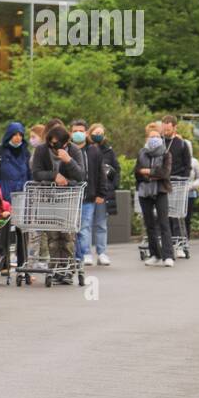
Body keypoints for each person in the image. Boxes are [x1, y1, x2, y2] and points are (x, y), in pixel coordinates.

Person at [29, 123, 86, 283]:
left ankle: (67, 270)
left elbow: (81, 175)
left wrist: (68, 161)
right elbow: (36, 173)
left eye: (57, 144)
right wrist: (54, 175)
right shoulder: (41, 150)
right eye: (51, 144)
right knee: (53, 236)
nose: (54, 147)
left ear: (66, 143)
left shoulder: (74, 150)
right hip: (48, 197)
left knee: (67, 236)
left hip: (68, 198)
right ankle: (55, 270)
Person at [0, 121, 30, 276]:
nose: (18, 138)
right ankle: (3, 264)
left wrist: (28, 190)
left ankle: (22, 264)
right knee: (3, 232)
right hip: (4, 197)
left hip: (22, 197)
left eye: (20, 134)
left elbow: (29, 174)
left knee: (22, 232)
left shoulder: (26, 153)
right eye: (15, 134)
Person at [71, 119, 112, 267]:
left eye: (81, 131)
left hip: (89, 195)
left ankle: (86, 253)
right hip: (71, 196)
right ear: (70, 132)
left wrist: (101, 193)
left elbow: (101, 174)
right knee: (73, 228)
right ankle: (77, 254)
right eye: (75, 131)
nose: (78, 134)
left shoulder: (94, 151)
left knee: (85, 226)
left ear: (86, 133)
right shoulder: (67, 149)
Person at [135, 123, 174, 267]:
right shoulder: (141, 153)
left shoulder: (166, 153)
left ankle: (168, 256)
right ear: (147, 138)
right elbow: (137, 172)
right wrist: (151, 175)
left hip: (161, 191)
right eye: (152, 137)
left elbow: (164, 173)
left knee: (164, 223)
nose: (155, 139)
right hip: (144, 192)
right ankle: (155, 254)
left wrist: (149, 172)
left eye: (157, 136)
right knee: (149, 224)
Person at [87, 123, 119, 266]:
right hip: (88, 192)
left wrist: (111, 186)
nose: (98, 135)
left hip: (102, 192)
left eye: (101, 132)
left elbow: (116, 171)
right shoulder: (85, 149)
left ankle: (101, 253)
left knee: (101, 224)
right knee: (85, 225)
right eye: (95, 132)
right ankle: (85, 253)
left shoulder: (109, 151)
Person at [161, 115, 193, 242]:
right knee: (163, 214)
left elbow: (187, 165)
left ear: (175, 127)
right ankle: (166, 241)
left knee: (177, 215)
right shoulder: (159, 142)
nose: (165, 132)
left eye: (168, 129)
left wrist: (184, 180)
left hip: (177, 183)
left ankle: (179, 241)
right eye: (164, 129)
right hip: (162, 183)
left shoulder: (182, 144)